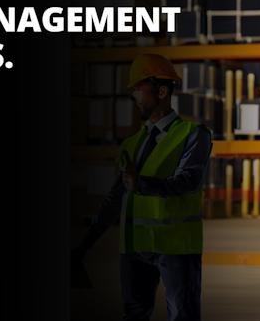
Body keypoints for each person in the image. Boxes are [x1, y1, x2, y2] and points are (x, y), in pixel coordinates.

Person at [73, 54, 213, 321]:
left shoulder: (194, 134)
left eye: (138, 88)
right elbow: (115, 199)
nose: (134, 96)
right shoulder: (132, 143)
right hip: (134, 250)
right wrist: (85, 243)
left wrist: (142, 184)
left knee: (183, 315)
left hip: (176, 249)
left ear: (161, 90)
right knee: (133, 315)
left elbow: (188, 182)